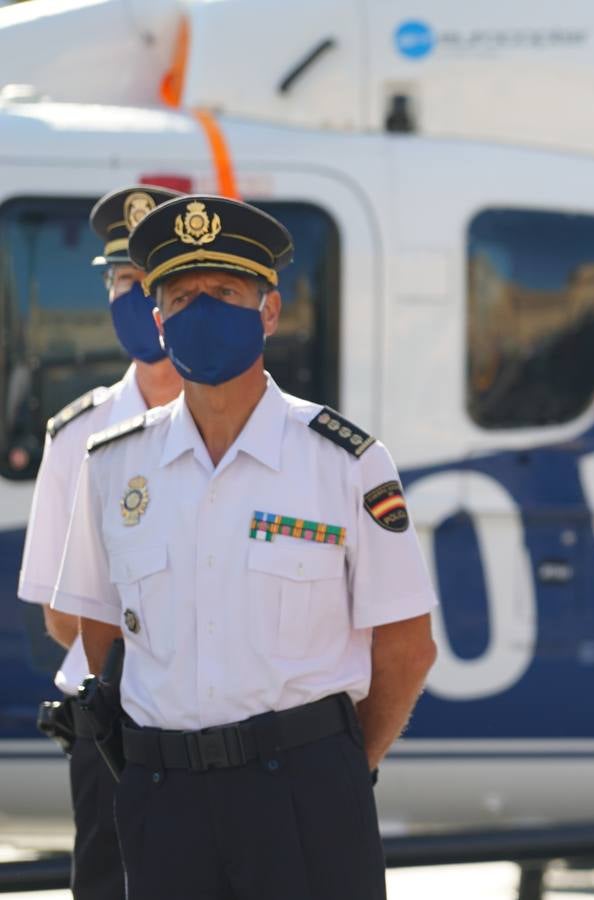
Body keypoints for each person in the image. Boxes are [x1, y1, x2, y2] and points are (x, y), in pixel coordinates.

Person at [51, 194, 439, 900]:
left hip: (302, 795)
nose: (202, 309)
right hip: (162, 799)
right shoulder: (111, 464)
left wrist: (341, 765)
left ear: (269, 310)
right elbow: (98, 633)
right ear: (159, 320)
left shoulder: (346, 461)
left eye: (225, 292)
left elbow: (407, 645)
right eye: (182, 295)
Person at [15, 184, 182, 900]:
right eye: (122, 281)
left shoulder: (265, 427)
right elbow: (62, 613)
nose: (135, 297)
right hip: (114, 730)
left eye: (153, 282)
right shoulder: (76, 434)